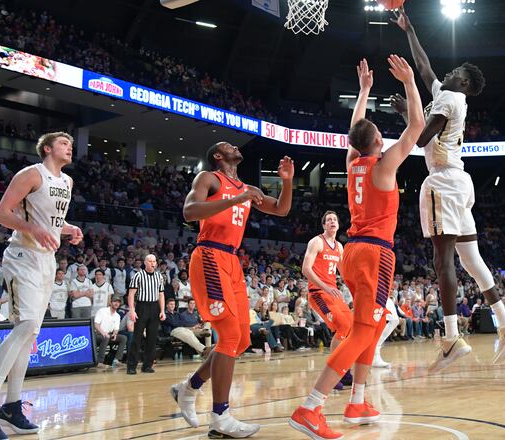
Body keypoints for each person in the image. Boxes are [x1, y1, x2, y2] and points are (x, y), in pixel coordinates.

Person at [289, 55, 424, 440]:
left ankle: (358, 400)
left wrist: (364, 91)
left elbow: (355, 132)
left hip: (352, 251)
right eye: (380, 133)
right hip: (375, 253)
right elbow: (416, 126)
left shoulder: (353, 163)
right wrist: (410, 82)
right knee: (363, 332)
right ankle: (310, 407)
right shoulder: (383, 167)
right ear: (379, 142)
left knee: (373, 323)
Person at [391, 7, 505, 373]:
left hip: (443, 182)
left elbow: (420, 138)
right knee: (471, 260)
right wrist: (410, 28)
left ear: (465, 83)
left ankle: (451, 338)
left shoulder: (450, 100)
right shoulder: (447, 94)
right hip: (459, 181)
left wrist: (407, 111)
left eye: (455, 73)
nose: (448, 73)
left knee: (443, 260)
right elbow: (424, 68)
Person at [169, 140, 293, 438]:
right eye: (229, 145)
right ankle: (220, 417)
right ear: (218, 155)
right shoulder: (208, 178)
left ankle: (189, 388)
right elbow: (189, 211)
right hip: (209, 255)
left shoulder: (248, 187)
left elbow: (281, 209)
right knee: (228, 336)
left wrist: (286, 182)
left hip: (233, 261)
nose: (236, 146)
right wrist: (236, 200)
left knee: (239, 340)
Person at [0, 132, 82, 440]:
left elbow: (52, 222)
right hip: (22, 256)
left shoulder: (67, 183)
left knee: (31, 332)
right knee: (26, 324)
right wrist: (31, 228)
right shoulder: (30, 174)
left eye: (71, 144)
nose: (69, 147)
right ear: (47, 148)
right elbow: (2, 214)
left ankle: (12, 406)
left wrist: (69, 228)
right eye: (63, 143)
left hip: (47, 260)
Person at [301, 210, 353, 388]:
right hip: (318, 292)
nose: (332, 221)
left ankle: (343, 369)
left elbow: (344, 273)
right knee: (343, 326)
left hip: (332, 293)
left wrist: (357, 291)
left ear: (338, 225)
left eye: (335, 219)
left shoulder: (339, 246)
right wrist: (325, 287)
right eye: (328, 219)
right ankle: (333, 374)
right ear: (324, 225)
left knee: (352, 327)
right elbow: (306, 269)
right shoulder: (316, 242)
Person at [126, 253, 165, 375]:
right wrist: (132, 310)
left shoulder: (159, 276)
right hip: (142, 306)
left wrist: (162, 310)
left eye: (154, 261)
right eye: (150, 261)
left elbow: (161, 294)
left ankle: (147, 365)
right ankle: (131, 366)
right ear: (145, 263)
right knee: (137, 337)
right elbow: (131, 294)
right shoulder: (138, 275)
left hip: (154, 307)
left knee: (152, 338)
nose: (152, 263)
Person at [94, 295, 127, 369]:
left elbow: (116, 329)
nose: (116, 303)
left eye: (118, 302)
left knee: (123, 338)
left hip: (109, 335)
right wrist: (103, 333)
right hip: (98, 334)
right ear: (111, 302)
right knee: (106, 337)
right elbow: (96, 324)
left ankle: (116, 360)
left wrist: (115, 334)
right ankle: (100, 362)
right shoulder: (102, 311)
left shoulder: (117, 316)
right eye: (115, 301)